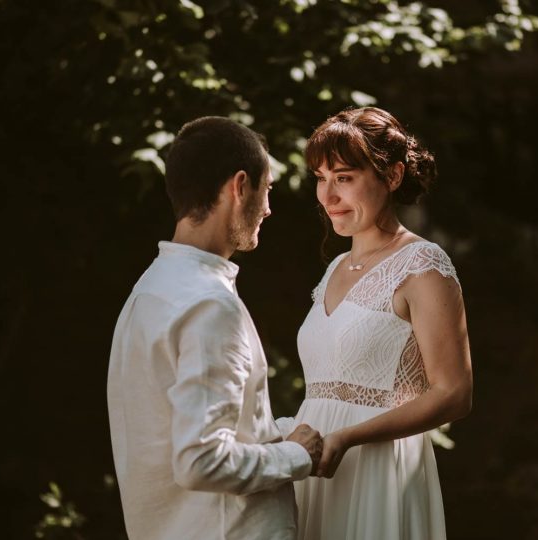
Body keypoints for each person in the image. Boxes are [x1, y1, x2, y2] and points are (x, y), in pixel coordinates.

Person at [107, 116, 323, 540]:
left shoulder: (148, 292)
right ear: (239, 186)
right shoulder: (209, 304)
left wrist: (278, 432)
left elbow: (179, 431)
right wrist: (297, 456)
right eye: (267, 190)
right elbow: (202, 459)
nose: (268, 209)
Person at [291, 107, 473, 540]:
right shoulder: (335, 266)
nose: (328, 196)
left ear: (392, 176)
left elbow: (455, 393)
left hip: (379, 471)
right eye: (321, 178)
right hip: (313, 471)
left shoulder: (424, 265)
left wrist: (349, 437)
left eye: (344, 177)